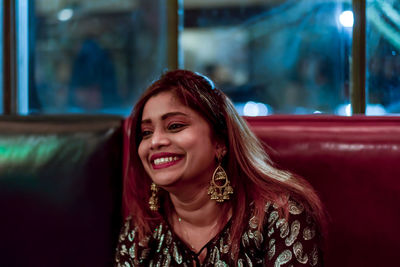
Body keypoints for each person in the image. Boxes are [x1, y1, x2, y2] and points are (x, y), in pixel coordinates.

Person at [115, 70, 325, 266]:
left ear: (220, 142)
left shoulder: (279, 215)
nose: (155, 142)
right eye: (146, 133)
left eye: (175, 126)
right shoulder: (143, 225)